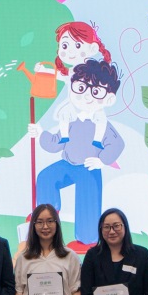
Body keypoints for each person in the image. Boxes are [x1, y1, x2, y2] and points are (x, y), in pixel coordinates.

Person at [29, 58, 125, 253]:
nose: (87, 96)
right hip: (67, 163)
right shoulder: (70, 120)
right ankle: (48, 216)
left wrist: (101, 160)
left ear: (108, 98)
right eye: (81, 88)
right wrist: (40, 134)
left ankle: (87, 238)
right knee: (46, 177)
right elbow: (56, 143)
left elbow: (117, 144)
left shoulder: (101, 124)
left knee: (88, 197)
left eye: (96, 91)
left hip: (89, 167)